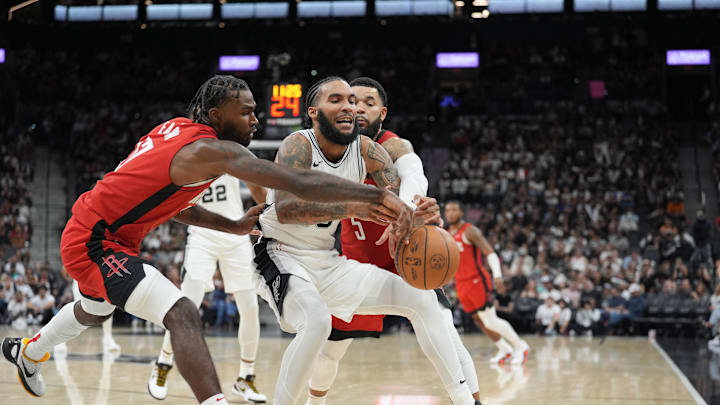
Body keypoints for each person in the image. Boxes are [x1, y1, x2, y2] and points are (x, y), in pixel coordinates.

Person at [2, 75, 409, 404]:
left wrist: (232, 226)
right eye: (246, 112)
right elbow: (297, 180)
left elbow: (174, 205)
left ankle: (30, 350)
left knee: (95, 309)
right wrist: (373, 194)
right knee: (181, 311)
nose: (255, 119)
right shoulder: (211, 151)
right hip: (93, 240)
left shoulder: (174, 130)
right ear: (217, 114)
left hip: (108, 234)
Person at [254, 76, 476, 405]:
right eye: (341, 100)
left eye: (357, 102)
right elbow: (287, 210)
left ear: (382, 112)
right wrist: (359, 205)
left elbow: (407, 175)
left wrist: (414, 209)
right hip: (282, 254)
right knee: (318, 326)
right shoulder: (297, 144)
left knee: (425, 301)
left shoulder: (372, 149)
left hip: (334, 262)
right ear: (313, 112)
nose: (353, 107)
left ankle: (467, 401)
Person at [147, 173, 268, 403]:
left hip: (235, 234)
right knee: (187, 304)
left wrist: (267, 216)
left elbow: (255, 182)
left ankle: (245, 378)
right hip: (203, 236)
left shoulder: (229, 149)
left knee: (250, 308)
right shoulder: (187, 157)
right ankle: (162, 364)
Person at [444, 201, 530, 365]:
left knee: (490, 319)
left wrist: (497, 276)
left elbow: (490, 253)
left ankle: (521, 346)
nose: (450, 213)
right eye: (447, 210)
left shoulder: (470, 230)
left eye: (454, 210)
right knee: (478, 320)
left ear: (461, 212)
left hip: (477, 280)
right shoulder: (447, 234)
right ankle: (504, 349)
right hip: (461, 283)